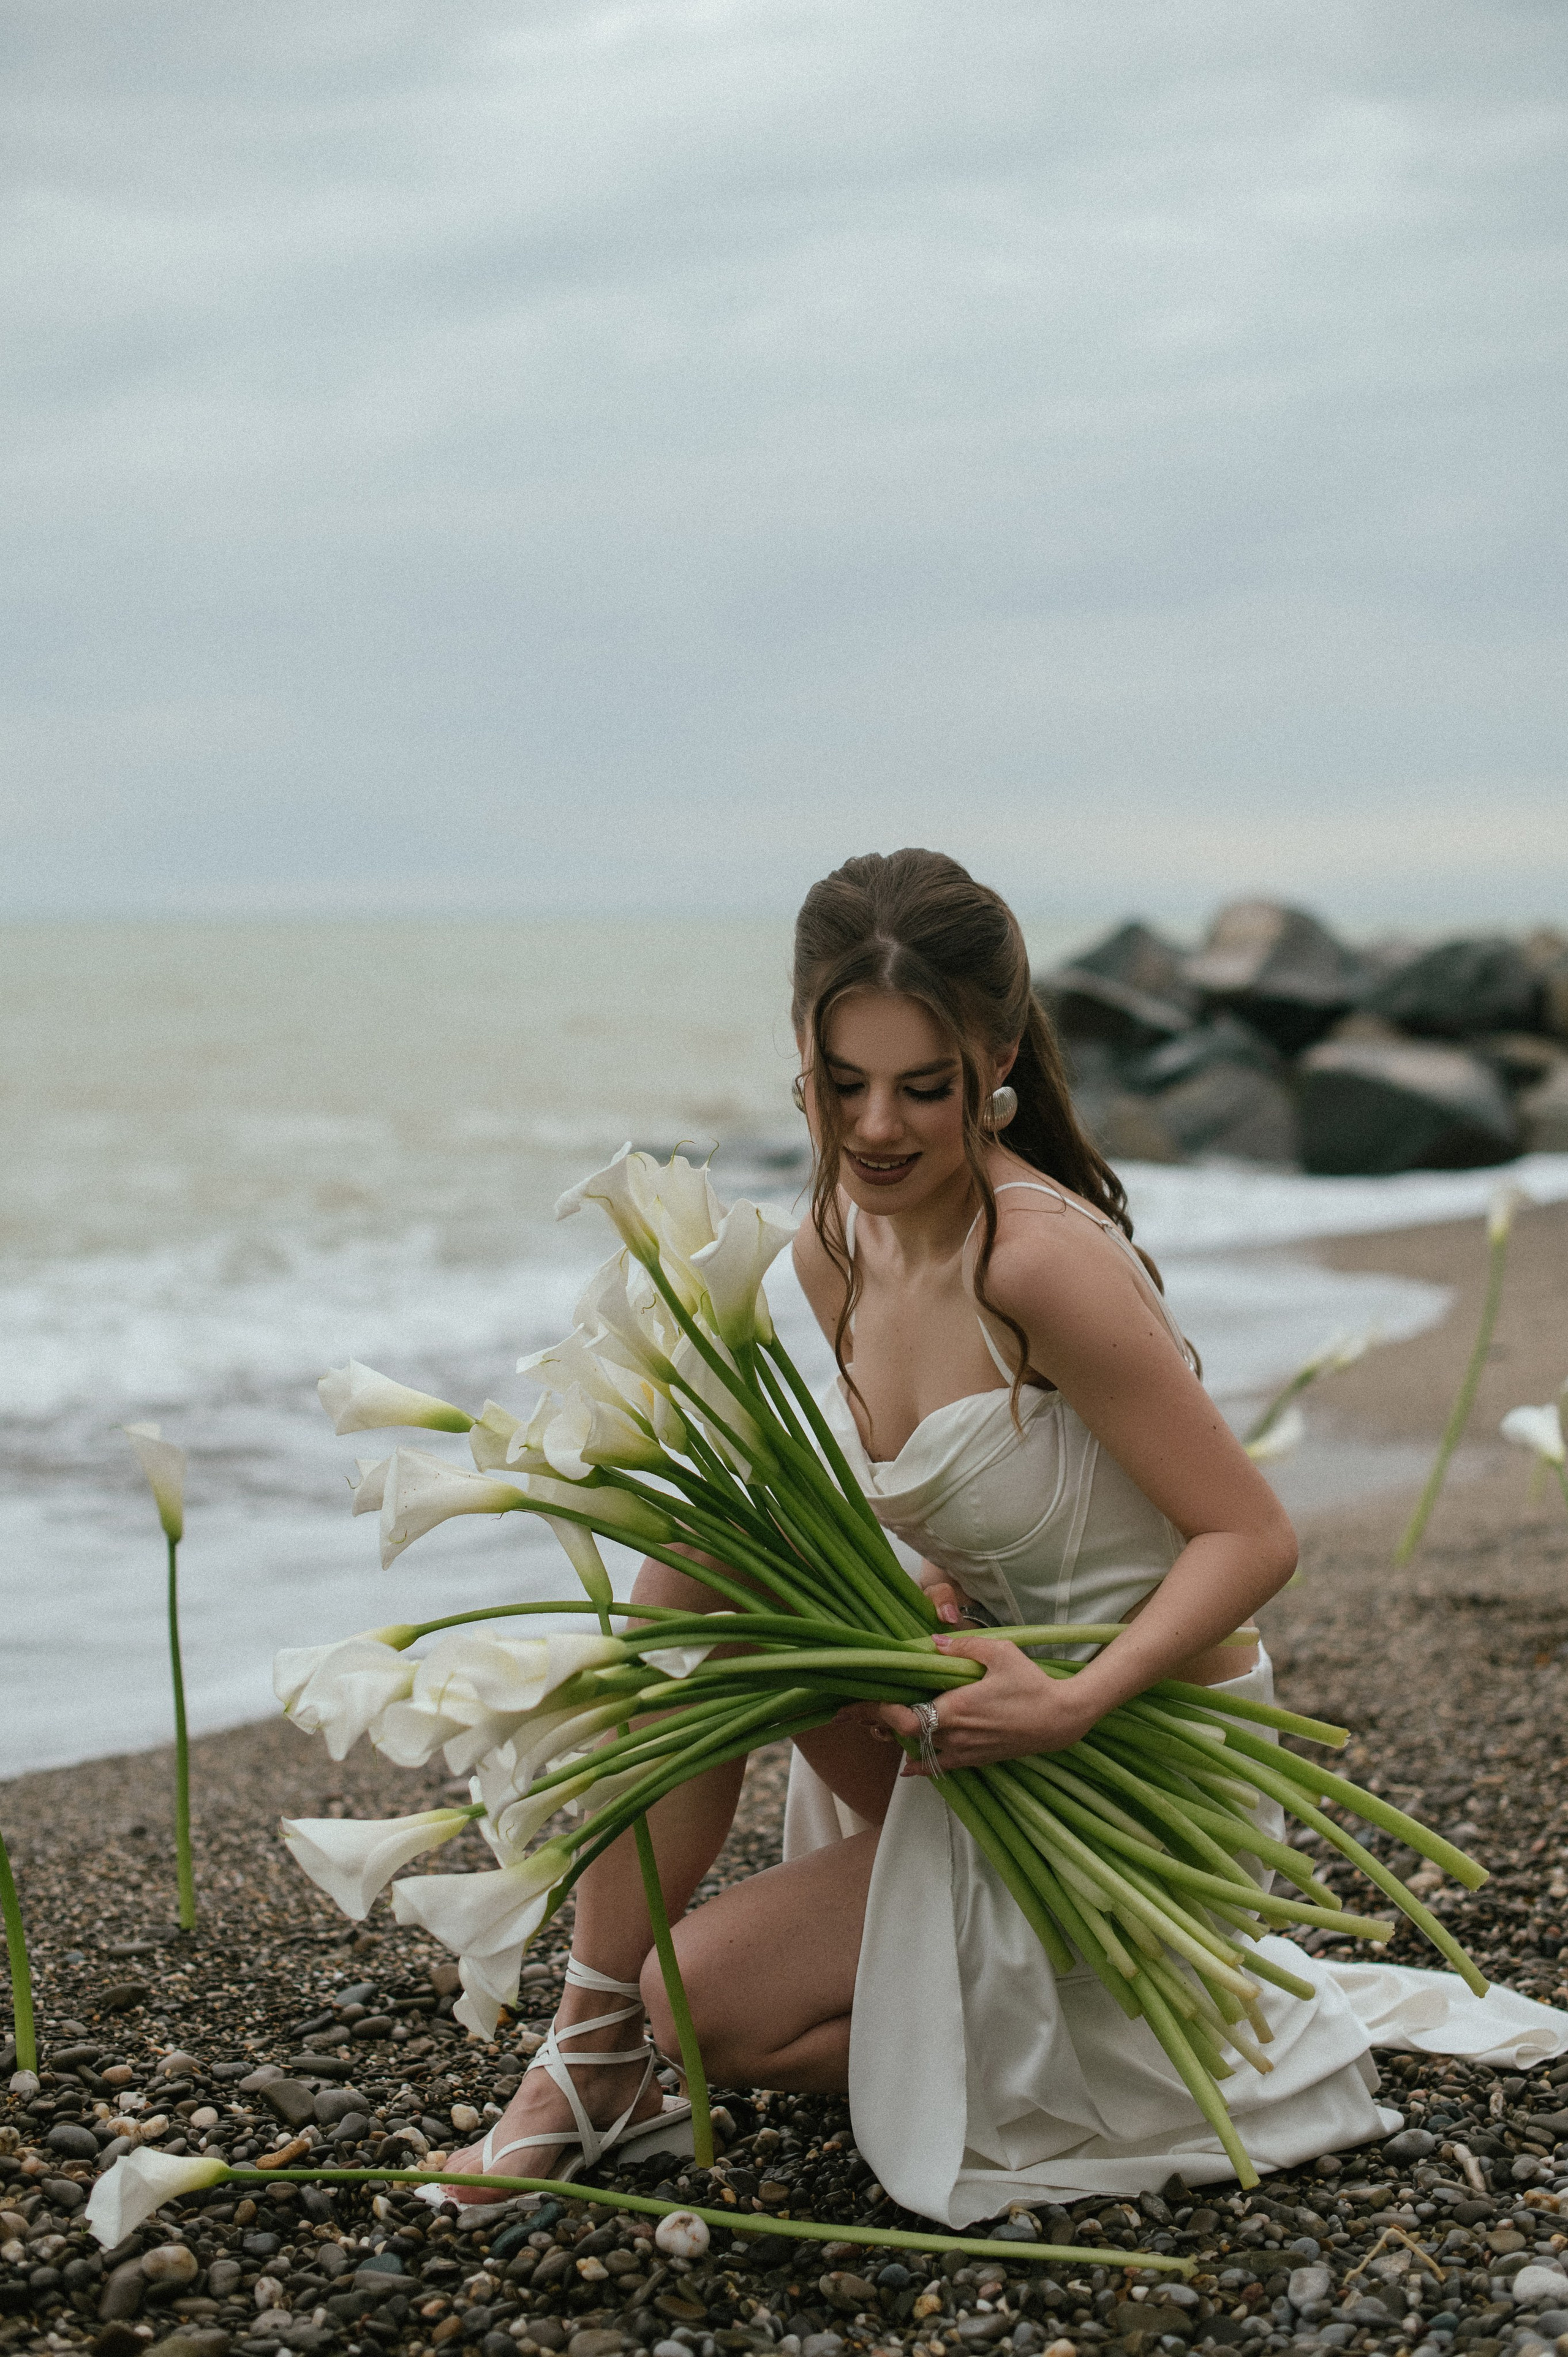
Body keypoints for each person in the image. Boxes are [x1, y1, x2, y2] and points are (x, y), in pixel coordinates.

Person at [440, 848, 1567, 2220]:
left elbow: (1249, 1536)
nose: (875, 1128)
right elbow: (971, 1491)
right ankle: (582, 2055)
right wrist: (918, 1574)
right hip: (968, 1733)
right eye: (842, 1081)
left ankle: (1102, 2040)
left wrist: (1075, 1695)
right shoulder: (828, 1248)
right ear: (799, 1052)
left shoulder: (1034, 1258)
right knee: (713, 1552)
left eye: (923, 1087)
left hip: (1142, 1769)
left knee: (717, 2013)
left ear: (993, 1063)